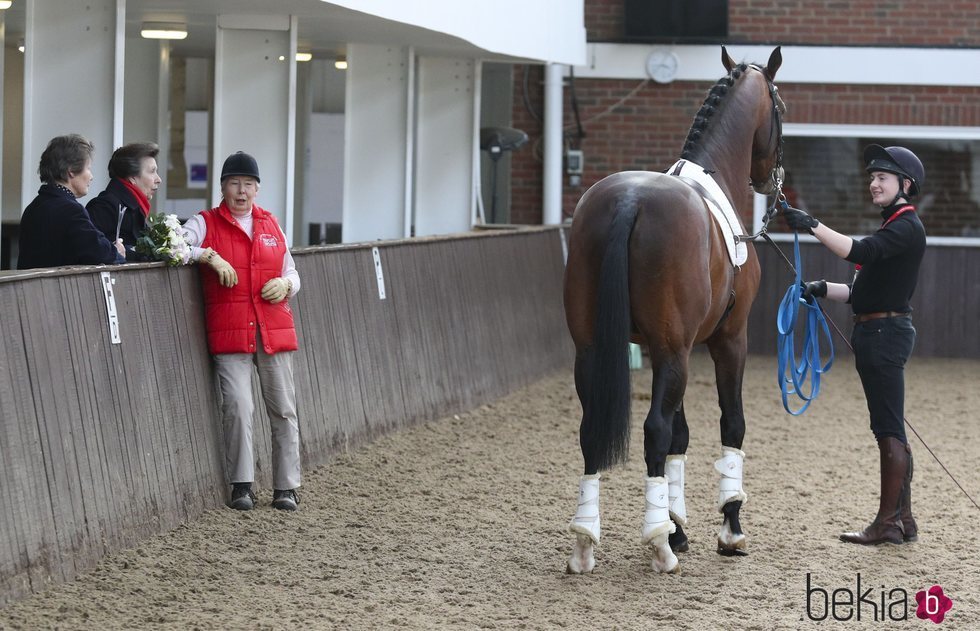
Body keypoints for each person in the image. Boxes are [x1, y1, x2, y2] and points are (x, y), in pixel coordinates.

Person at [783, 144, 926, 546]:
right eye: (873, 177)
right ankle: (903, 520)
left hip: (884, 336)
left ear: (905, 184)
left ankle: (887, 523)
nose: (873, 183)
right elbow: (863, 292)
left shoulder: (905, 226)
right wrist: (821, 288)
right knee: (890, 427)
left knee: (888, 430)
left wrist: (811, 223)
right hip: (878, 332)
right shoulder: (894, 227)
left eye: (882, 177)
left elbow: (857, 251)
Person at [180, 151, 303, 512]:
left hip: (272, 329)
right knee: (238, 405)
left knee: (283, 408)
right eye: (234, 183)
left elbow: (293, 271)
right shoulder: (205, 222)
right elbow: (178, 246)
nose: (241, 191)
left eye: (248, 184)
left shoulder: (271, 225)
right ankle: (242, 484)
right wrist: (207, 255)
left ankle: (287, 486)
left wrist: (285, 285)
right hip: (231, 330)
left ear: (257, 188)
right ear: (222, 187)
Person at [18, 134, 126, 269]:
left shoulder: (33, 207)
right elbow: (101, 254)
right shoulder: (70, 210)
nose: (91, 177)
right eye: (88, 168)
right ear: (71, 171)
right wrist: (117, 252)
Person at [88, 142, 162, 261]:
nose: (158, 179)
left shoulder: (134, 207)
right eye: (152, 171)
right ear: (132, 177)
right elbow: (91, 251)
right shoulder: (105, 207)